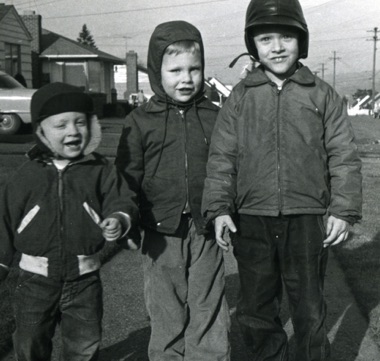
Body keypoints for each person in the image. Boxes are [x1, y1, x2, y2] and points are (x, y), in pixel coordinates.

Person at [201, 0, 362, 360]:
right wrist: (219, 208)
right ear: (252, 45)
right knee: (256, 308)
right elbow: (222, 157)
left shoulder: (322, 94)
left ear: (301, 40)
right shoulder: (240, 98)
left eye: (286, 37)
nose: (276, 47)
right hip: (252, 219)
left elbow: (343, 155)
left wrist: (344, 209)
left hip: (306, 219)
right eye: (266, 38)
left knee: (308, 309)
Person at [115, 20, 230, 361]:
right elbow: (126, 176)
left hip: (205, 228)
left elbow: (228, 168)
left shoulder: (216, 117)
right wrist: (125, 215)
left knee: (208, 304)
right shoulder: (140, 121)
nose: (186, 78)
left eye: (194, 69)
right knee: (166, 308)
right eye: (175, 69)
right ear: (156, 71)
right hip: (160, 231)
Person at [0, 82, 138, 361]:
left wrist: (118, 218)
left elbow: (121, 199)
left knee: (84, 343)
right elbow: (4, 217)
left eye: (80, 122)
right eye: (61, 125)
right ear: (41, 130)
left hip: (84, 278)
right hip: (35, 279)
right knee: (30, 341)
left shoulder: (100, 169)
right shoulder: (28, 174)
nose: (73, 131)